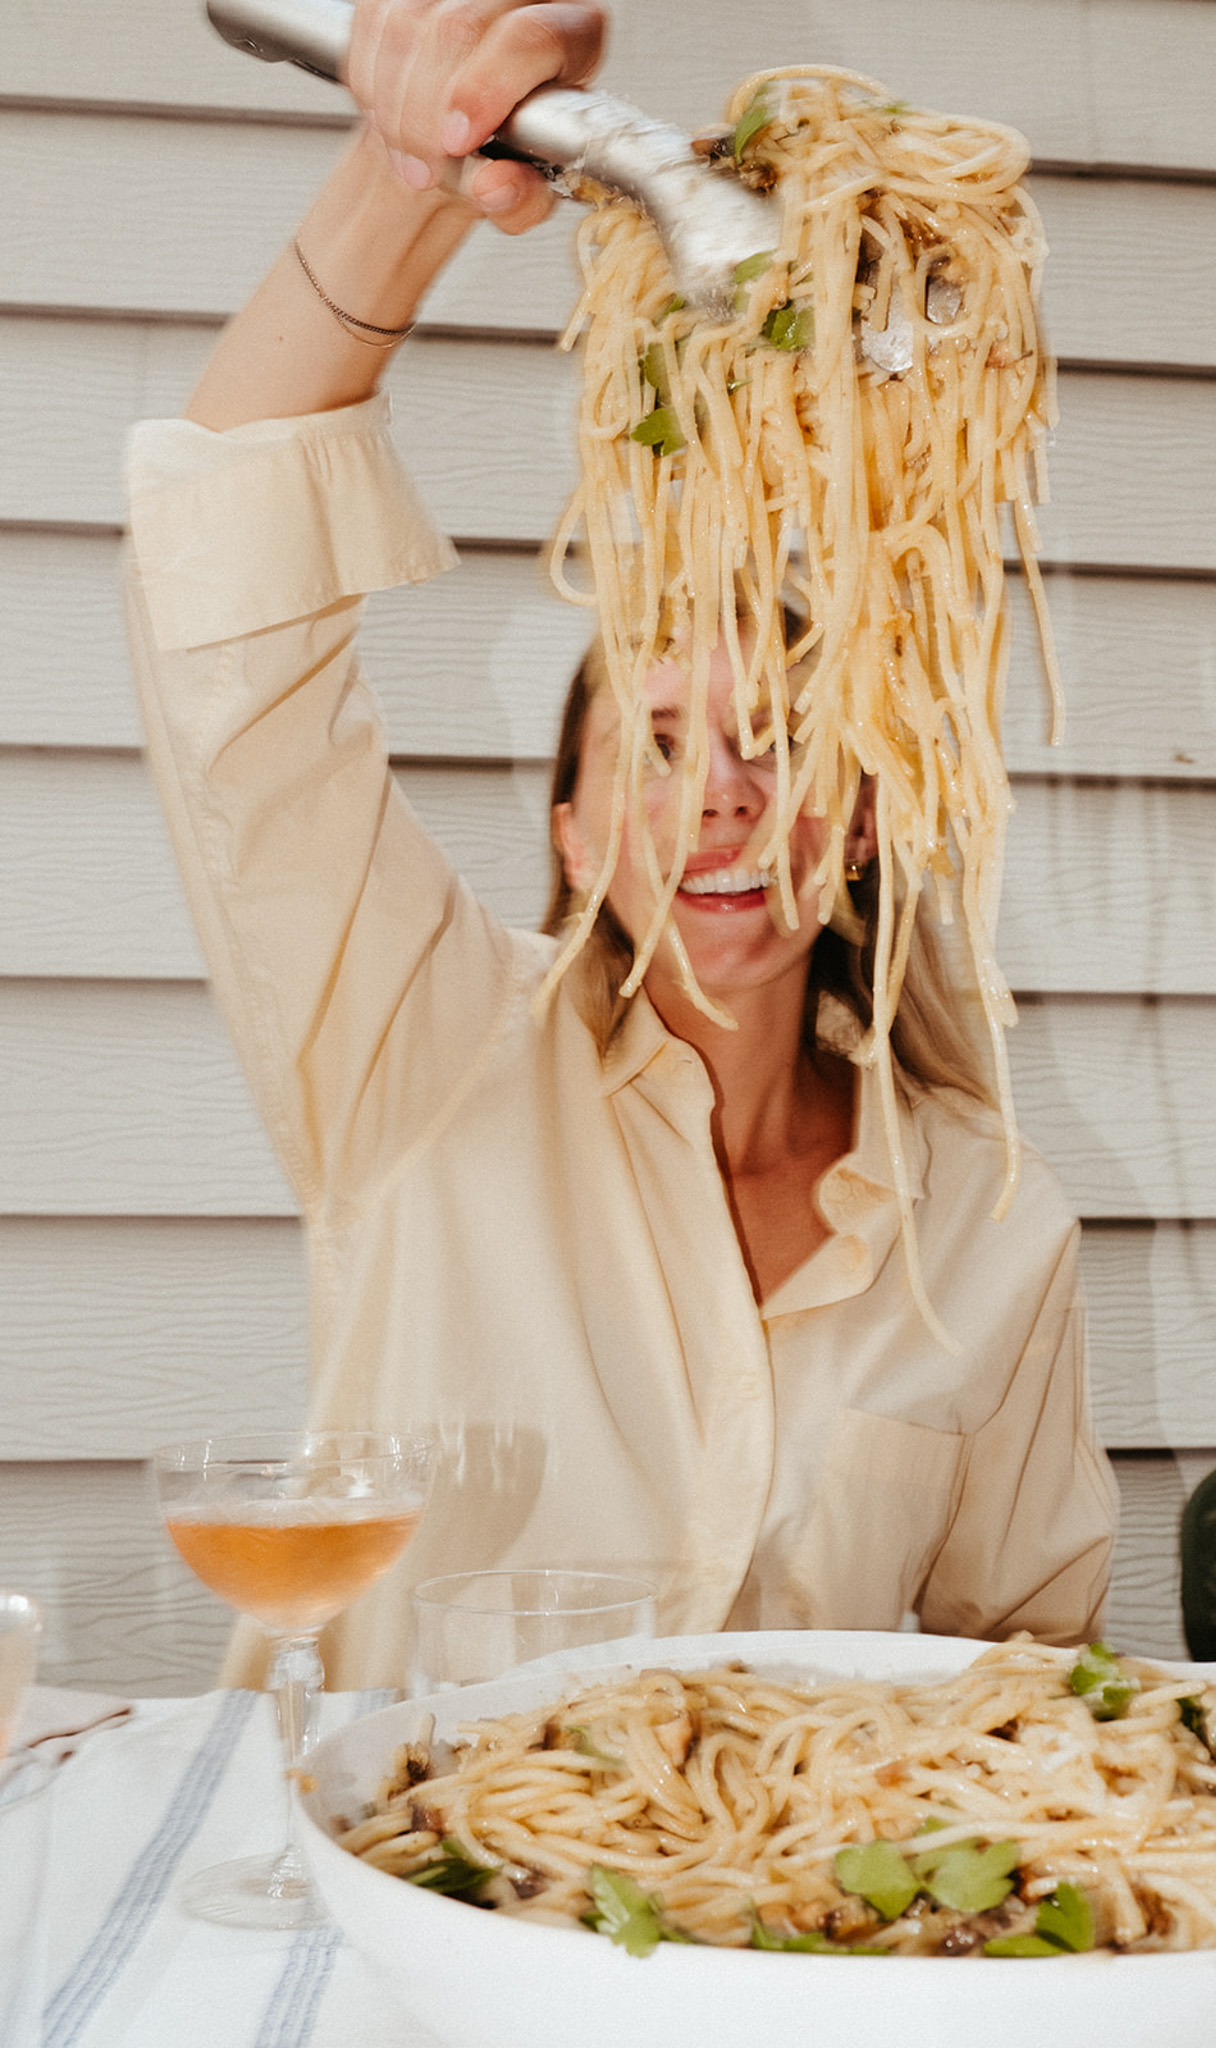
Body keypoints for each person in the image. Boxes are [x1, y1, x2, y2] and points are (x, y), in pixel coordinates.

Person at [124, 0, 1117, 1688]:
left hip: (795, 1942)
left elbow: (1021, 1668)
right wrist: (405, 175)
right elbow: (228, 644)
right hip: (414, 1879)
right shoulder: (419, 1052)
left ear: (866, 813)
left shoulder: (993, 1219)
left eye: (781, 744)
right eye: (653, 748)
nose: (722, 797)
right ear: (576, 831)